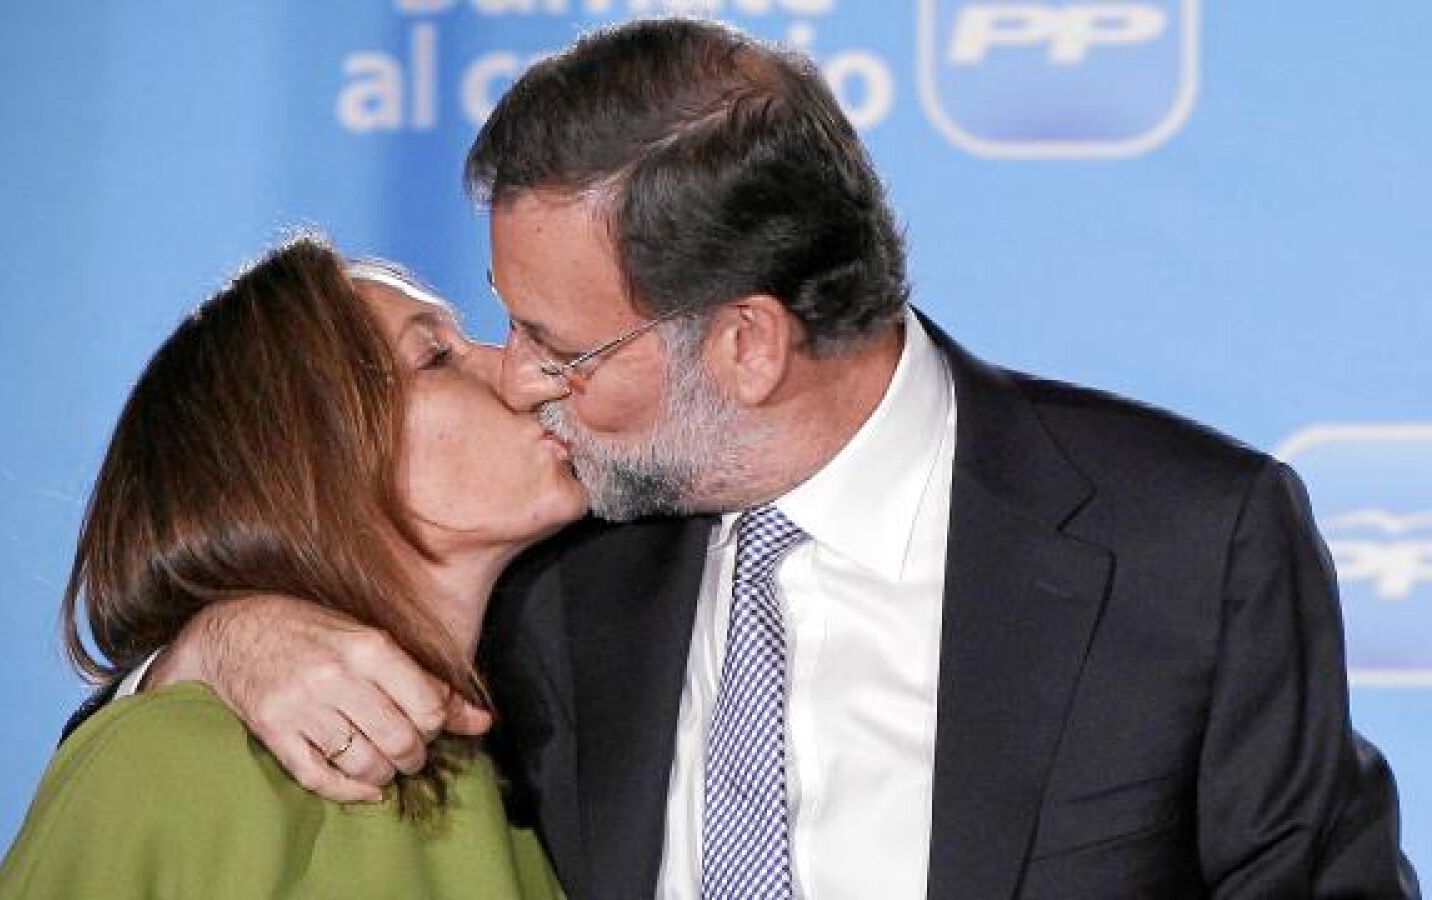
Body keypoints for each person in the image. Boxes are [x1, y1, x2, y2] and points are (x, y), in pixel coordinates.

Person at [80, 19, 1419, 899]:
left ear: (745, 347)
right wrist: (218, 642)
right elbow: (138, 811)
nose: (523, 377)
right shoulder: (553, 561)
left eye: (564, 348)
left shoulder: (1185, 542)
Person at [0, 236, 584, 898]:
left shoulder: (509, 778)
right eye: (436, 357)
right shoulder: (168, 765)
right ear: (310, 470)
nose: (520, 374)